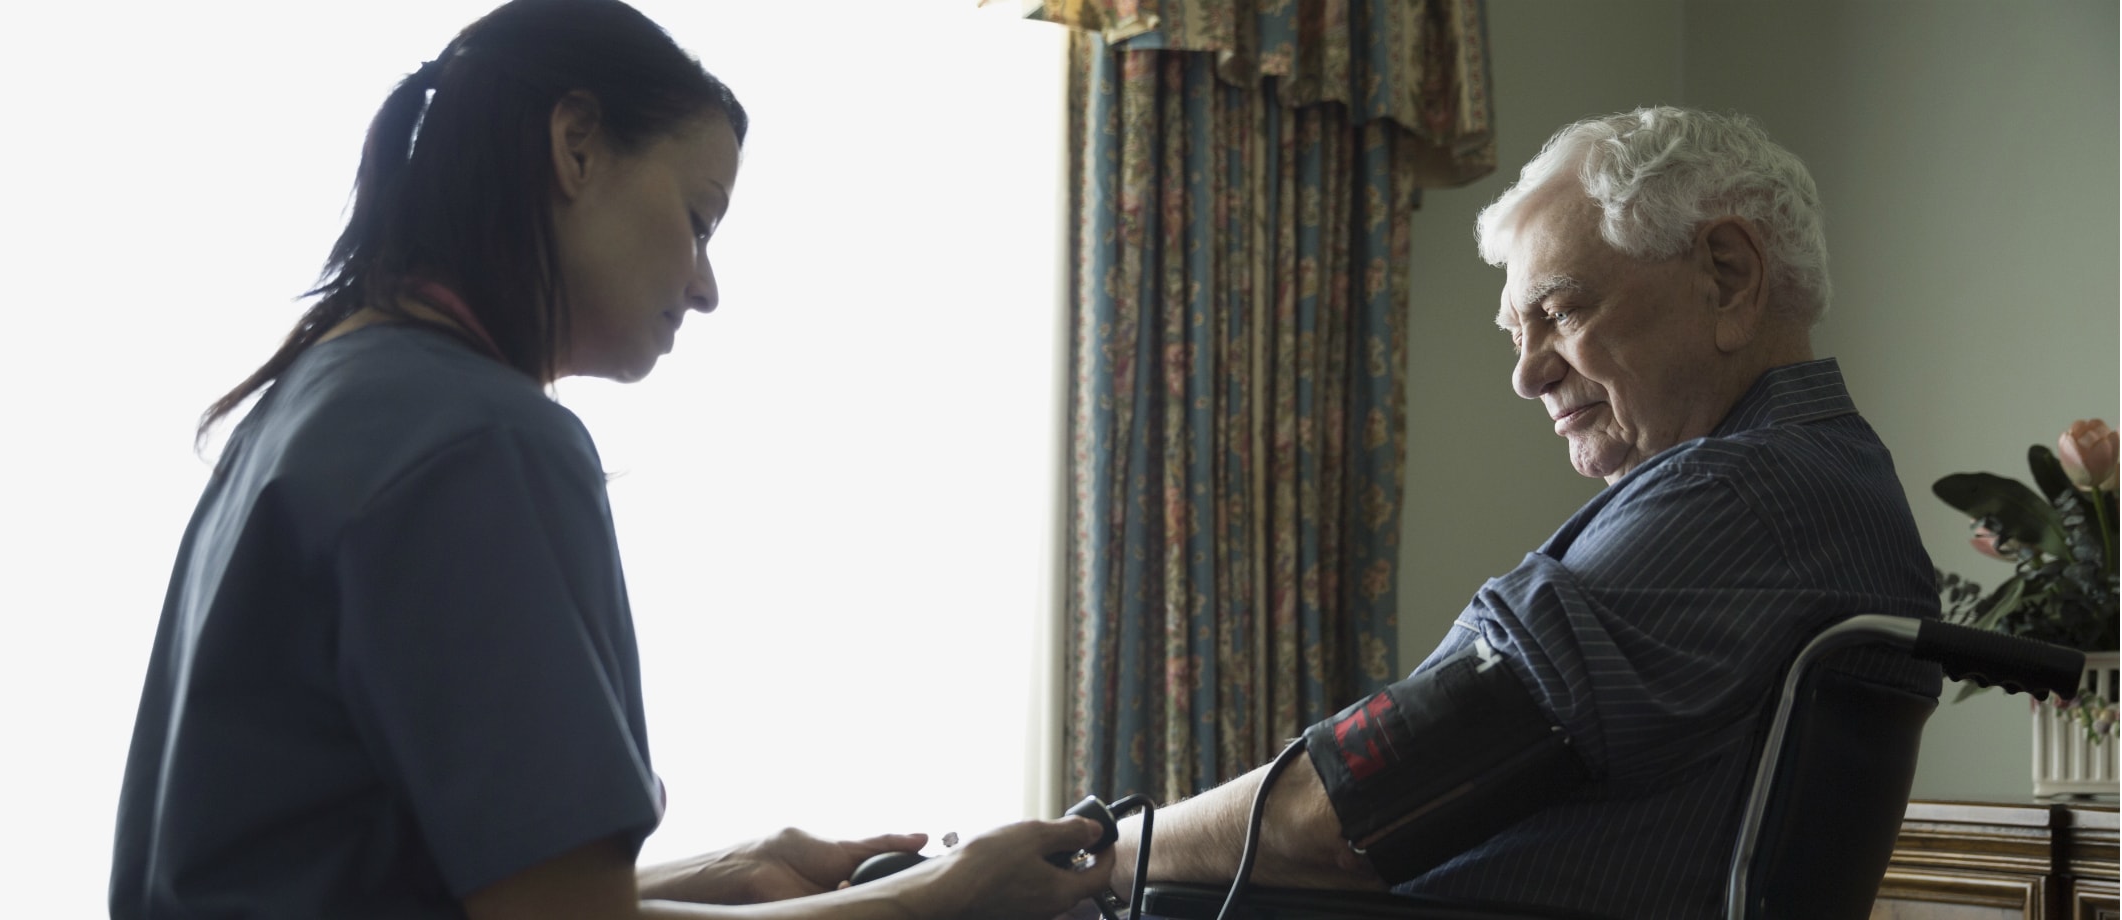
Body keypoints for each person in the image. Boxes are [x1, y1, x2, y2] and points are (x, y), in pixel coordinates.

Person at [107, 2, 1112, 918]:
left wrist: (734, 868)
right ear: (577, 145)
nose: (707, 284)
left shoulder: (323, 398)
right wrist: (944, 900)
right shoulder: (483, 439)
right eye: (699, 219)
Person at [1108, 106, 1942, 919]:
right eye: (1518, 333)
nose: (1527, 375)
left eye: (1561, 311)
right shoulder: (1815, 485)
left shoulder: (1740, 500)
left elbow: (1335, 819)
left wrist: (1091, 859)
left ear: (1727, 274)